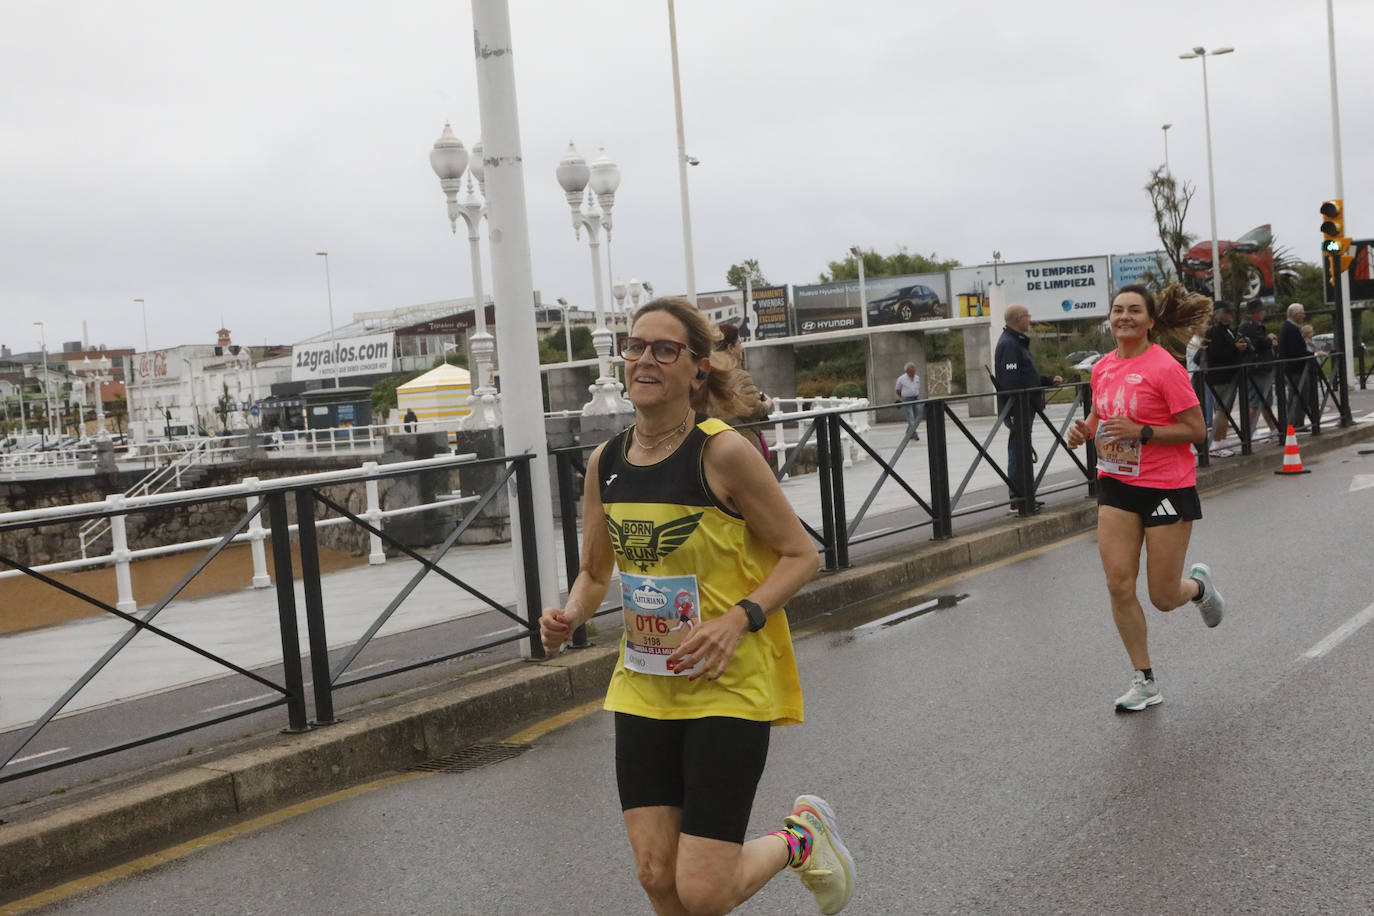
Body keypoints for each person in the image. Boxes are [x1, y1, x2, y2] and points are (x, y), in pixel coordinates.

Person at [540, 297, 854, 915]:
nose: (645, 360)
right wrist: (570, 614)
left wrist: (736, 620)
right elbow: (596, 571)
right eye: (635, 347)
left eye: (665, 349)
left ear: (697, 369)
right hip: (645, 686)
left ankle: (799, 838)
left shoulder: (724, 452)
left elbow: (800, 555)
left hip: (727, 682)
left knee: (704, 890)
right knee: (658, 875)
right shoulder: (605, 463)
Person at [1066, 283, 1225, 713]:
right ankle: (1144, 679)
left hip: (1166, 487)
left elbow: (1196, 430)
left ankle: (1198, 588)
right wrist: (1083, 431)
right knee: (1118, 584)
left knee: (1162, 595)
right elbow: (1100, 419)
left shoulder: (1165, 368)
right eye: (1117, 310)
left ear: (1151, 320)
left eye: (1134, 311)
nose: (1124, 317)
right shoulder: (1102, 369)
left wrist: (1145, 433)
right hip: (1116, 484)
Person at [994, 304, 1062, 512]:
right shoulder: (1010, 345)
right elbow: (1010, 379)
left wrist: (1048, 380)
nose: (1030, 320)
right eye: (1027, 316)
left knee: (1021, 449)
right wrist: (1014, 410)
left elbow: (1026, 376)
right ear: (1018, 319)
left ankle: (1025, 495)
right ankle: (1018, 497)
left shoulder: (1017, 343)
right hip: (1018, 407)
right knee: (1018, 449)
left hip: (1024, 404)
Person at [715, 322, 773, 459]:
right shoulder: (740, 377)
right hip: (743, 444)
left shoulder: (704, 378)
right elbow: (754, 409)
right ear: (730, 348)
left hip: (715, 447)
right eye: (739, 343)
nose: (742, 347)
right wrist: (768, 403)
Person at [1202, 301, 1247, 455]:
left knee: (1225, 410)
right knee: (1221, 410)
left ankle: (1221, 441)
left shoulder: (1226, 330)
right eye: (1228, 313)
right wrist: (1235, 348)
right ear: (1221, 315)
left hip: (1230, 374)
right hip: (1221, 376)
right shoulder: (1214, 331)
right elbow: (1216, 353)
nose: (1231, 316)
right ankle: (1214, 443)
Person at [1236, 299, 1279, 440]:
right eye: (1261, 311)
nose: (1264, 313)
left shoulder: (1254, 326)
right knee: (1255, 401)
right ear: (1255, 313)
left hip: (1262, 367)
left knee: (1265, 401)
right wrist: (1268, 339)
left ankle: (1273, 429)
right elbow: (1257, 343)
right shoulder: (1249, 327)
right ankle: (1250, 430)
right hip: (1256, 368)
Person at [1278, 302, 1317, 431]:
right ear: (1295, 315)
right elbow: (1296, 351)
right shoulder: (1291, 329)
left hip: (1293, 368)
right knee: (1300, 395)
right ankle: (1297, 423)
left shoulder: (1289, 327)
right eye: (1302, 313)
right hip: (1296, 369)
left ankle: (1294, 422)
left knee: (1296, 395)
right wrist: (1312, 354)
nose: (1304, 316)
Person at [894, 362, 923, 440]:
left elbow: (918, 387)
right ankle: (914, 434)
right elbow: (897, 389)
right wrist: (903, 396)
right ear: (907, 371)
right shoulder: (901, 378)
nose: (913, 371)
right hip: (907, 399)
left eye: (914, 370)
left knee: (917, 417)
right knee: (911, 417)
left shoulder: (917, 377)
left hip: (915, 398)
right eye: (911, 370)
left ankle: (908, 432)